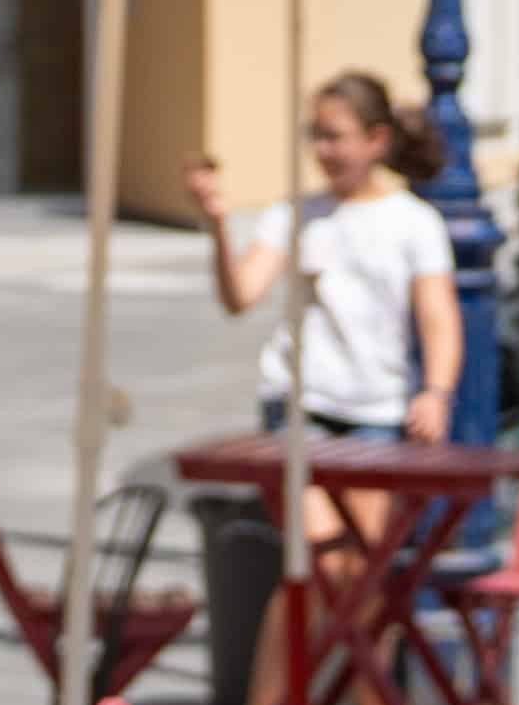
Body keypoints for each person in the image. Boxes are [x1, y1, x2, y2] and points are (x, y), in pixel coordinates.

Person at [188, 72, 458, 447]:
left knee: (367, 507)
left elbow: (439, 319)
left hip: (379, 408)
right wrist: (218, 226)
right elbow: (240, 297)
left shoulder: (415, 222)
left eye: (333, 136)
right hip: (298, 402)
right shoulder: (292, 214)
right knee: (306, 498)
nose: (321, 150)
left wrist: (437, 394)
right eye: (314, 134)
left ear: (376, 139)